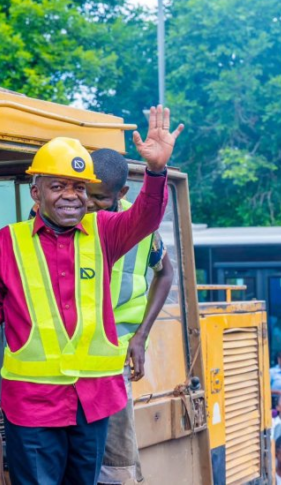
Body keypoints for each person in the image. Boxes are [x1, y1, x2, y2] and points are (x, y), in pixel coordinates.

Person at [0, 107, 183, 484]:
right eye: (58, 186)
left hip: (92, 401)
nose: (71, 196)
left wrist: (156, 171)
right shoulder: (8, 242)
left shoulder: (105, 230)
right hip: (32, 404)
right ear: (36, 192)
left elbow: (146, 220)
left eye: (79, 187)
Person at [88, 149, 174, 485]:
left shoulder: (140, 225)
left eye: (99, 197)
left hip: (116, 351)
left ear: (121, 193)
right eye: (85, 192)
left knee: (116, 457)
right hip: (71, 354)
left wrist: (141, 336)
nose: (89, 203)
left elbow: (165, 273)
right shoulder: (69, 216)